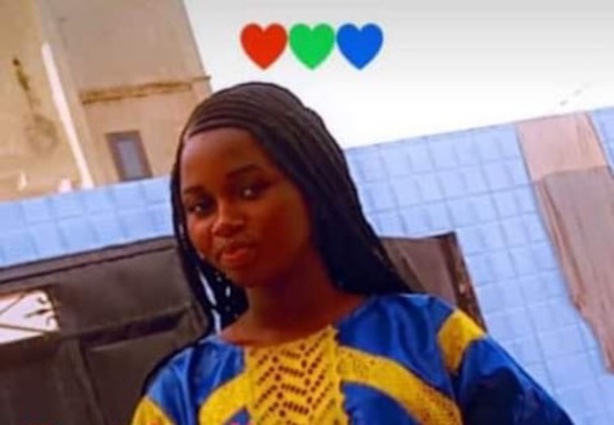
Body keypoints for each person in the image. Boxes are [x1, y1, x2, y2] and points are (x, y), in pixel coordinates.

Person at [130, 82, 572, 424]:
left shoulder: (429, 338)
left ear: (314, 187)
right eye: (200, 207)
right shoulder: (179, 397)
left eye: (250, 190)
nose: (223, 221)